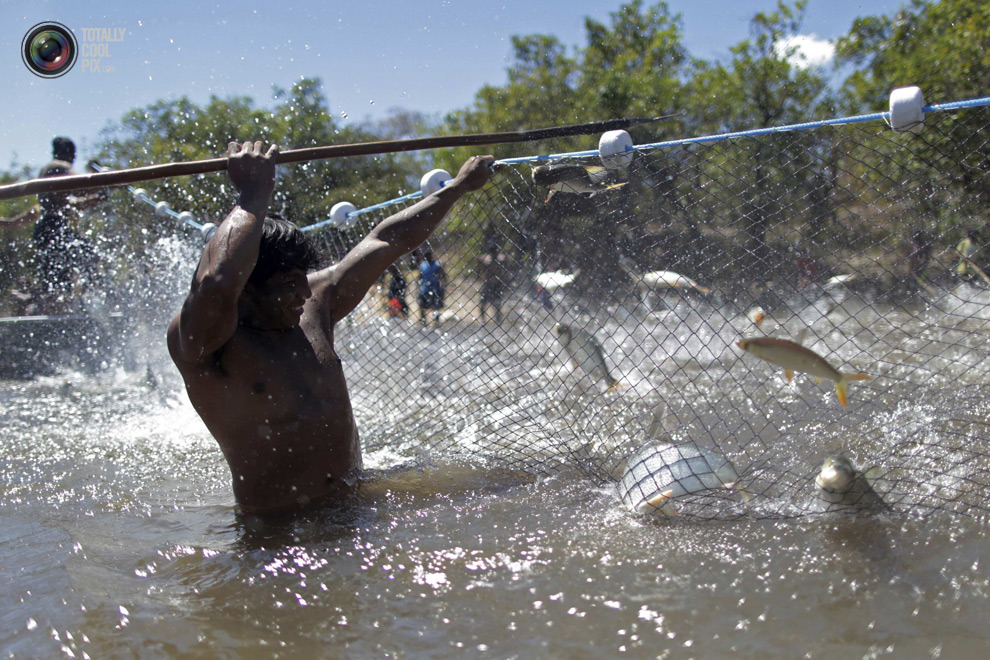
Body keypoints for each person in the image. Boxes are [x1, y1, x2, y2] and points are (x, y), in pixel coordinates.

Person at [167, 141, 495, 514]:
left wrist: (458, 187)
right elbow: (215, 284)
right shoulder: (206, 341)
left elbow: (385, 241)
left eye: (303, 279)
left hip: (354, 511)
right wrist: (254, 191)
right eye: (288, 284)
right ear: (247, 290)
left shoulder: (314, 305)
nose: (303, 292)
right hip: (278, 535)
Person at [1, 137, 106, 307]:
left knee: (60, 282)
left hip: (48, 229)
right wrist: (104, 180)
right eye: (73, 154)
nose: (74, 159)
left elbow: (77, 202)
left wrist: (99, 196)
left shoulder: (50, 172)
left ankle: (44, 301)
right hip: (52, 229)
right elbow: (82, 186)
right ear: (68, 152)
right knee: (85, 257)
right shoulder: (59, 166)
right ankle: (86, 298)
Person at [478, 241, 508, 325]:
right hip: (488, 284)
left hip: (497, 285)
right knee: (483, 304)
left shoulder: (500, 259)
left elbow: (505, 268)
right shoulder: (486, 259)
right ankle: (483, 320)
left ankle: (498, 321)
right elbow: (481, 265)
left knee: (497, 305)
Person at [417, 248, 447, 327]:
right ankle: (424, 323)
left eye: (429, 256)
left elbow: (443, 275)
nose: (428, 258)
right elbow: (420, 276)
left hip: (435, 289)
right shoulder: (422, 265)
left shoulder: (437, 264)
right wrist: (418, 287)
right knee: (422, 306)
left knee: (435, 307)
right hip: (425, 289)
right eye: (426, 257)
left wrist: (443, 286)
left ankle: (436, 323)